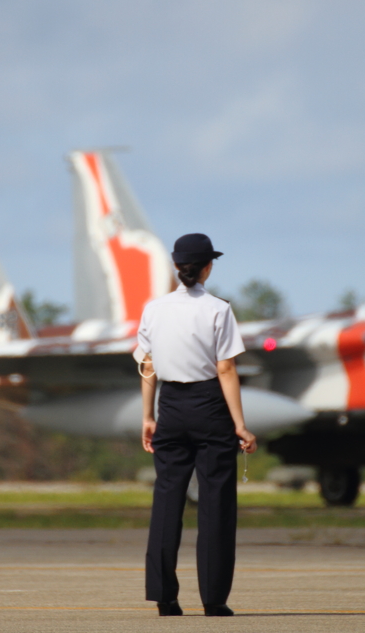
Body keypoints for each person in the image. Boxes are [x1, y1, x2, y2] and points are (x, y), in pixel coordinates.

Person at [134, 233, 258, 617]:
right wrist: (240, 424)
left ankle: (164, 596)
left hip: (170, 405)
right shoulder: (218, 310)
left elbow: (148, 366)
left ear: (176, 267)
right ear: (207, 267)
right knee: (216, 503)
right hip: (209, 408)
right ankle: (214, 599)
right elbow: (225, 368)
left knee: (167, 501)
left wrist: (149, 416)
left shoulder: (154, 309)